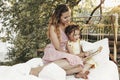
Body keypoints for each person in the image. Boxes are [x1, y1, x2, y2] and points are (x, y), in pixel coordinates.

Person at [30, 4, 88, 79]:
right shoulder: (53, 27)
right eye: (65, 17)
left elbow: (70, 42)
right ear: (58, 17)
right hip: (55, 51)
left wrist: (77, 53)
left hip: (64, 51)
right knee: (75, 60)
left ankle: (50, 72)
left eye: (69, 16)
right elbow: (57, 47)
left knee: (80, 67)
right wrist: (71, 56)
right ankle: (38, 70)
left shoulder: (68, 26)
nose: (68, 19)